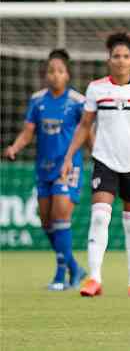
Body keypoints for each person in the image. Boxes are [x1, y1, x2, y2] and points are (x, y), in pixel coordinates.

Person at [61, 32, 130, 299]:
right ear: (108, 60)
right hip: (105, 161)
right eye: (116, 56)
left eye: (125, 56)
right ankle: (94, 278)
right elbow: (85, 126)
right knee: (100, 216)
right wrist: (68, 157)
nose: (121, 61)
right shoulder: (96, 88)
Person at [3, 49, 87, 290]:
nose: (55, 75)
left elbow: (87, 132)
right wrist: (15, 147)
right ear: (45, 74)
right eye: (51, 71)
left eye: (60, 71)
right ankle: (75, 267)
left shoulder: (77, 102)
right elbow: (28, 131)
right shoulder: (37, 100)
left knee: (61, 216)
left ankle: (61, 275)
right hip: (44, 168)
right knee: (47, 223)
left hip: (68, 167)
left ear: (67, 74)